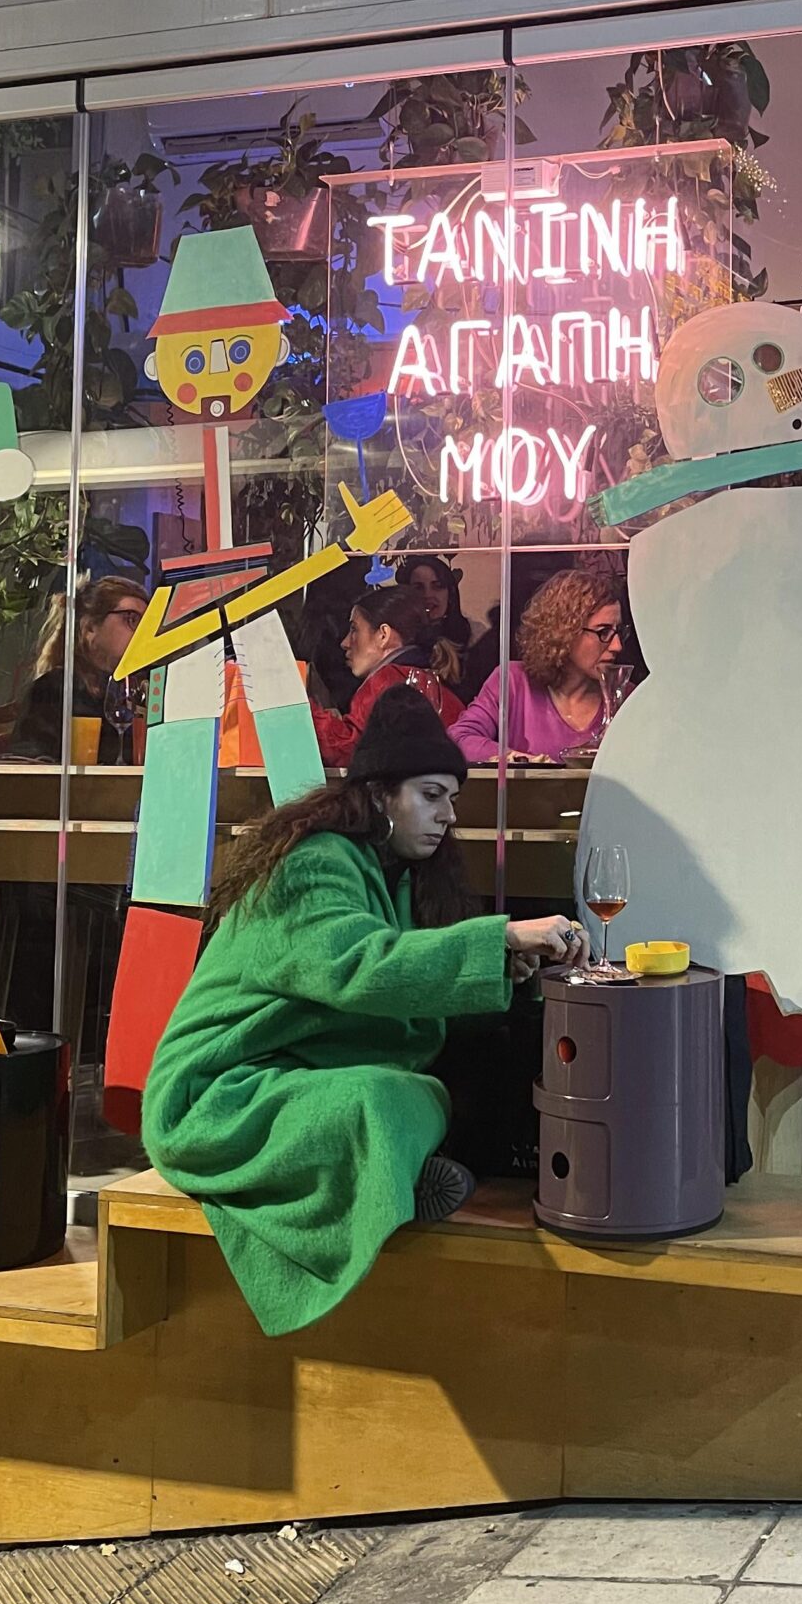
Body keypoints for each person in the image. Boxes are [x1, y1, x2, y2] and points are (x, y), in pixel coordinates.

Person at [142, 686, 588, 1338]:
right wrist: (502, 937)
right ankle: (403, 1168)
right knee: (380, 1102)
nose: (446, 815)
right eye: (430, 795)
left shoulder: (399, 878)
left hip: (302, 1076)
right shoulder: (311, 864)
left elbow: (410, 1010)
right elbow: (361, 966)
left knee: (430, 1086)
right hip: (218, 1095)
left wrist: (507, 976)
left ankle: (408, 1165)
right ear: (380, 794)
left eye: (451, 800)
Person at [453, 567, 625, 763]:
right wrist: (518, 760)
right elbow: (460, 738)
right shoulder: (513, 682)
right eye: (603, 632)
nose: (617, 646)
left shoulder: (625, 694)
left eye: (619, 632)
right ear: (565, 631)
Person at [312, 584, 460, 772]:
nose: (345, 642)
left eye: (354, 629)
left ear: (383, 635)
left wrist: (303, 710)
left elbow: (350, 751)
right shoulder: (436, 684)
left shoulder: (386, 681)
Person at [10, 574, 150, 763]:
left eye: (148, 624)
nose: (142, 632)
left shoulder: (142, 689)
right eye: (132, 619)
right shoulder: (55, 689)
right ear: (90, 627)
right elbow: (29, 764)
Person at [396, 553, 474, 691]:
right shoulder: (397, 638)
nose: (428, 595)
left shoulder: (473, 637)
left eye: (437, 586)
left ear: (450, 594)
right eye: (418, 588)